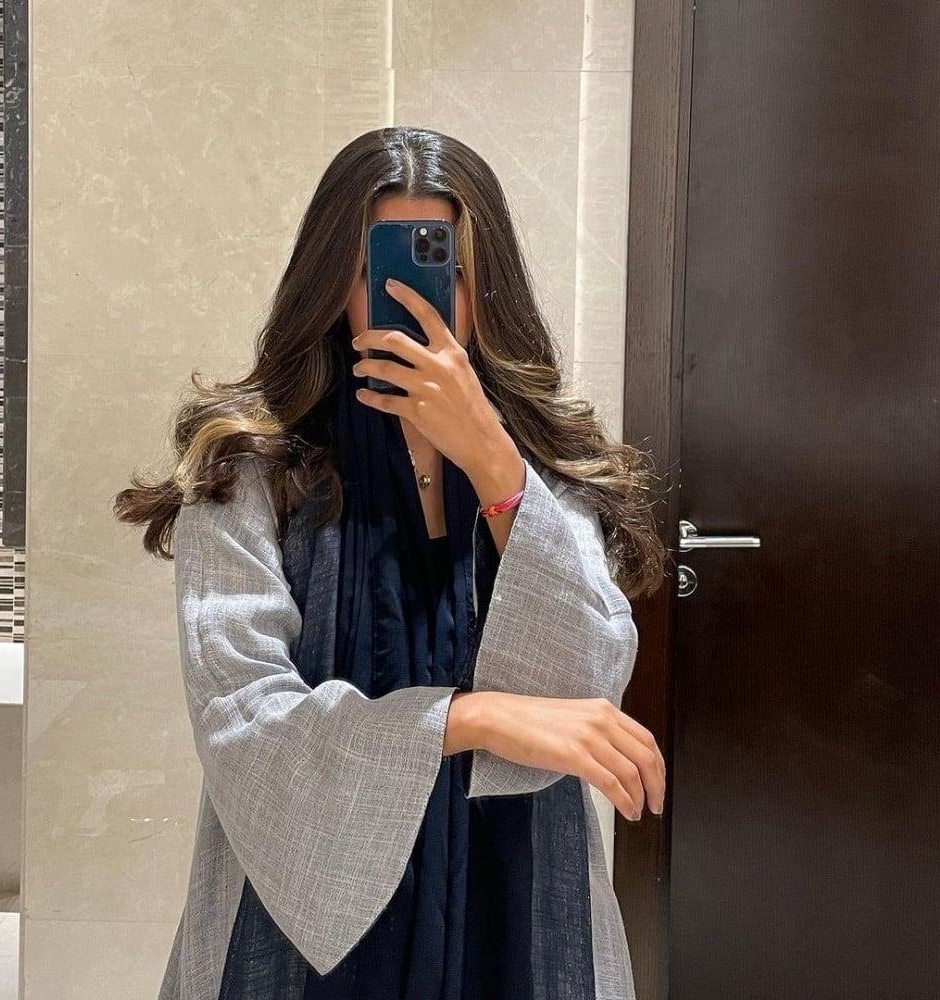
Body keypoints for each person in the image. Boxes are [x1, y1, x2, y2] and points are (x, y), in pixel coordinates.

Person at [114, 125, 668, 1000]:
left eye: (443, 267)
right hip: (302, 906)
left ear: (487, 281)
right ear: (331, 277)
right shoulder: (250, 466)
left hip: (511, 894)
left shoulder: (543, 463)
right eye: (374, 267)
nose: (404, 299)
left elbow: (587, 679)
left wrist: (493, 461)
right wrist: (467, 719)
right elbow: (242, 717)